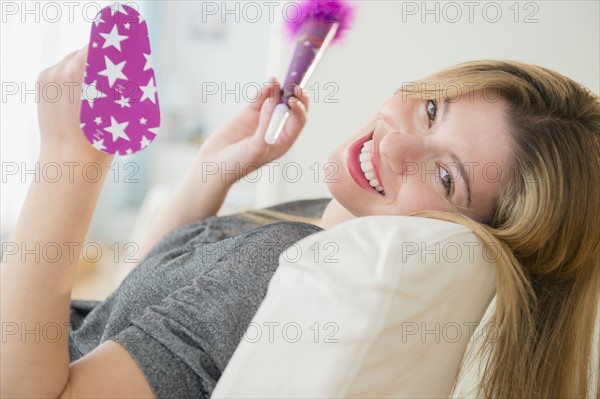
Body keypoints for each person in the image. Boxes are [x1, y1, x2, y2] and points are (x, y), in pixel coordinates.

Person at [1, 44, 599, 399]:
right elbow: (135, 307)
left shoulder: (282, 266)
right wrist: (217, 169)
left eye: (446, 178)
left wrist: (70, 157)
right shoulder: (333, 222)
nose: (394, 145)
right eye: (431, 110)